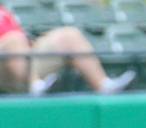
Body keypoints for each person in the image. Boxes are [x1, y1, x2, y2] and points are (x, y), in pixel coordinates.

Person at [0, 5, 135, 95]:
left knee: (69, 35)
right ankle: (35, 88)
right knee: (14, 40)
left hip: (21, 63)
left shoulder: (3, 11)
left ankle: (104, 86)